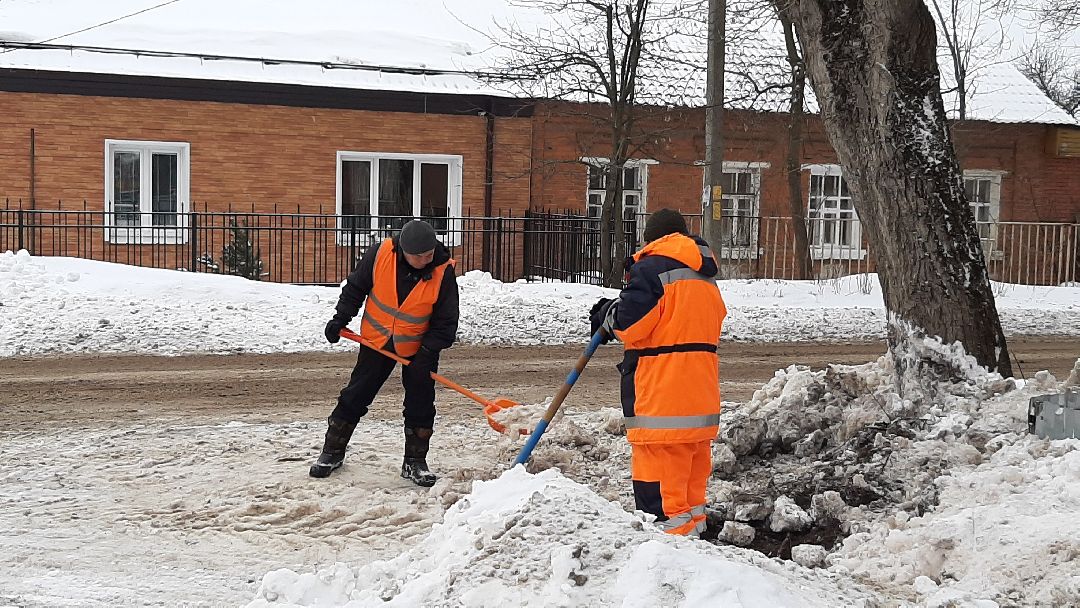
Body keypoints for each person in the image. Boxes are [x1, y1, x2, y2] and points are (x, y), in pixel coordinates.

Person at [589, 208, 727, 537]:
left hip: (662, 404)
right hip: (698, 403)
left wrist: (608, 314)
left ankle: (671, 564)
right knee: (690, 498)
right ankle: (700, 553)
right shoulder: (702, 275)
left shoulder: (652, 268)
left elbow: (632, 323)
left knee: (662, 507)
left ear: (652, 239)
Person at [311, 219, 459, 487]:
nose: (426, 260)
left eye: (429, 255)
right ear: (403, 250)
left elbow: (446, 322)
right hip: (376, 341)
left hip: (419, 349)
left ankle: (415, 461)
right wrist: (339, 319)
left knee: (420, 403)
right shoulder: (380, 255)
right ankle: (332, 452)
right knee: (356, 394)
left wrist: (426, 353)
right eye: (419, 257)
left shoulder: (442, 271)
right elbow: (356, 288)